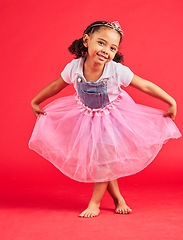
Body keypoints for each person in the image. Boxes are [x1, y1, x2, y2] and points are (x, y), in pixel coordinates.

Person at [29, 21, 181, 218]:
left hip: (112, 120)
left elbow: (145, 86)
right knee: (104, 161)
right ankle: (118, 198)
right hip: (86, 118)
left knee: (103, 161)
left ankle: (95, 203)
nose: (106, 51)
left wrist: (170, 100)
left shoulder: (116, 70)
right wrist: (36, 100)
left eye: (112, 48)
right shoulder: (74, 67)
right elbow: (55, 86)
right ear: (86, 40)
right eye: (101, 43)